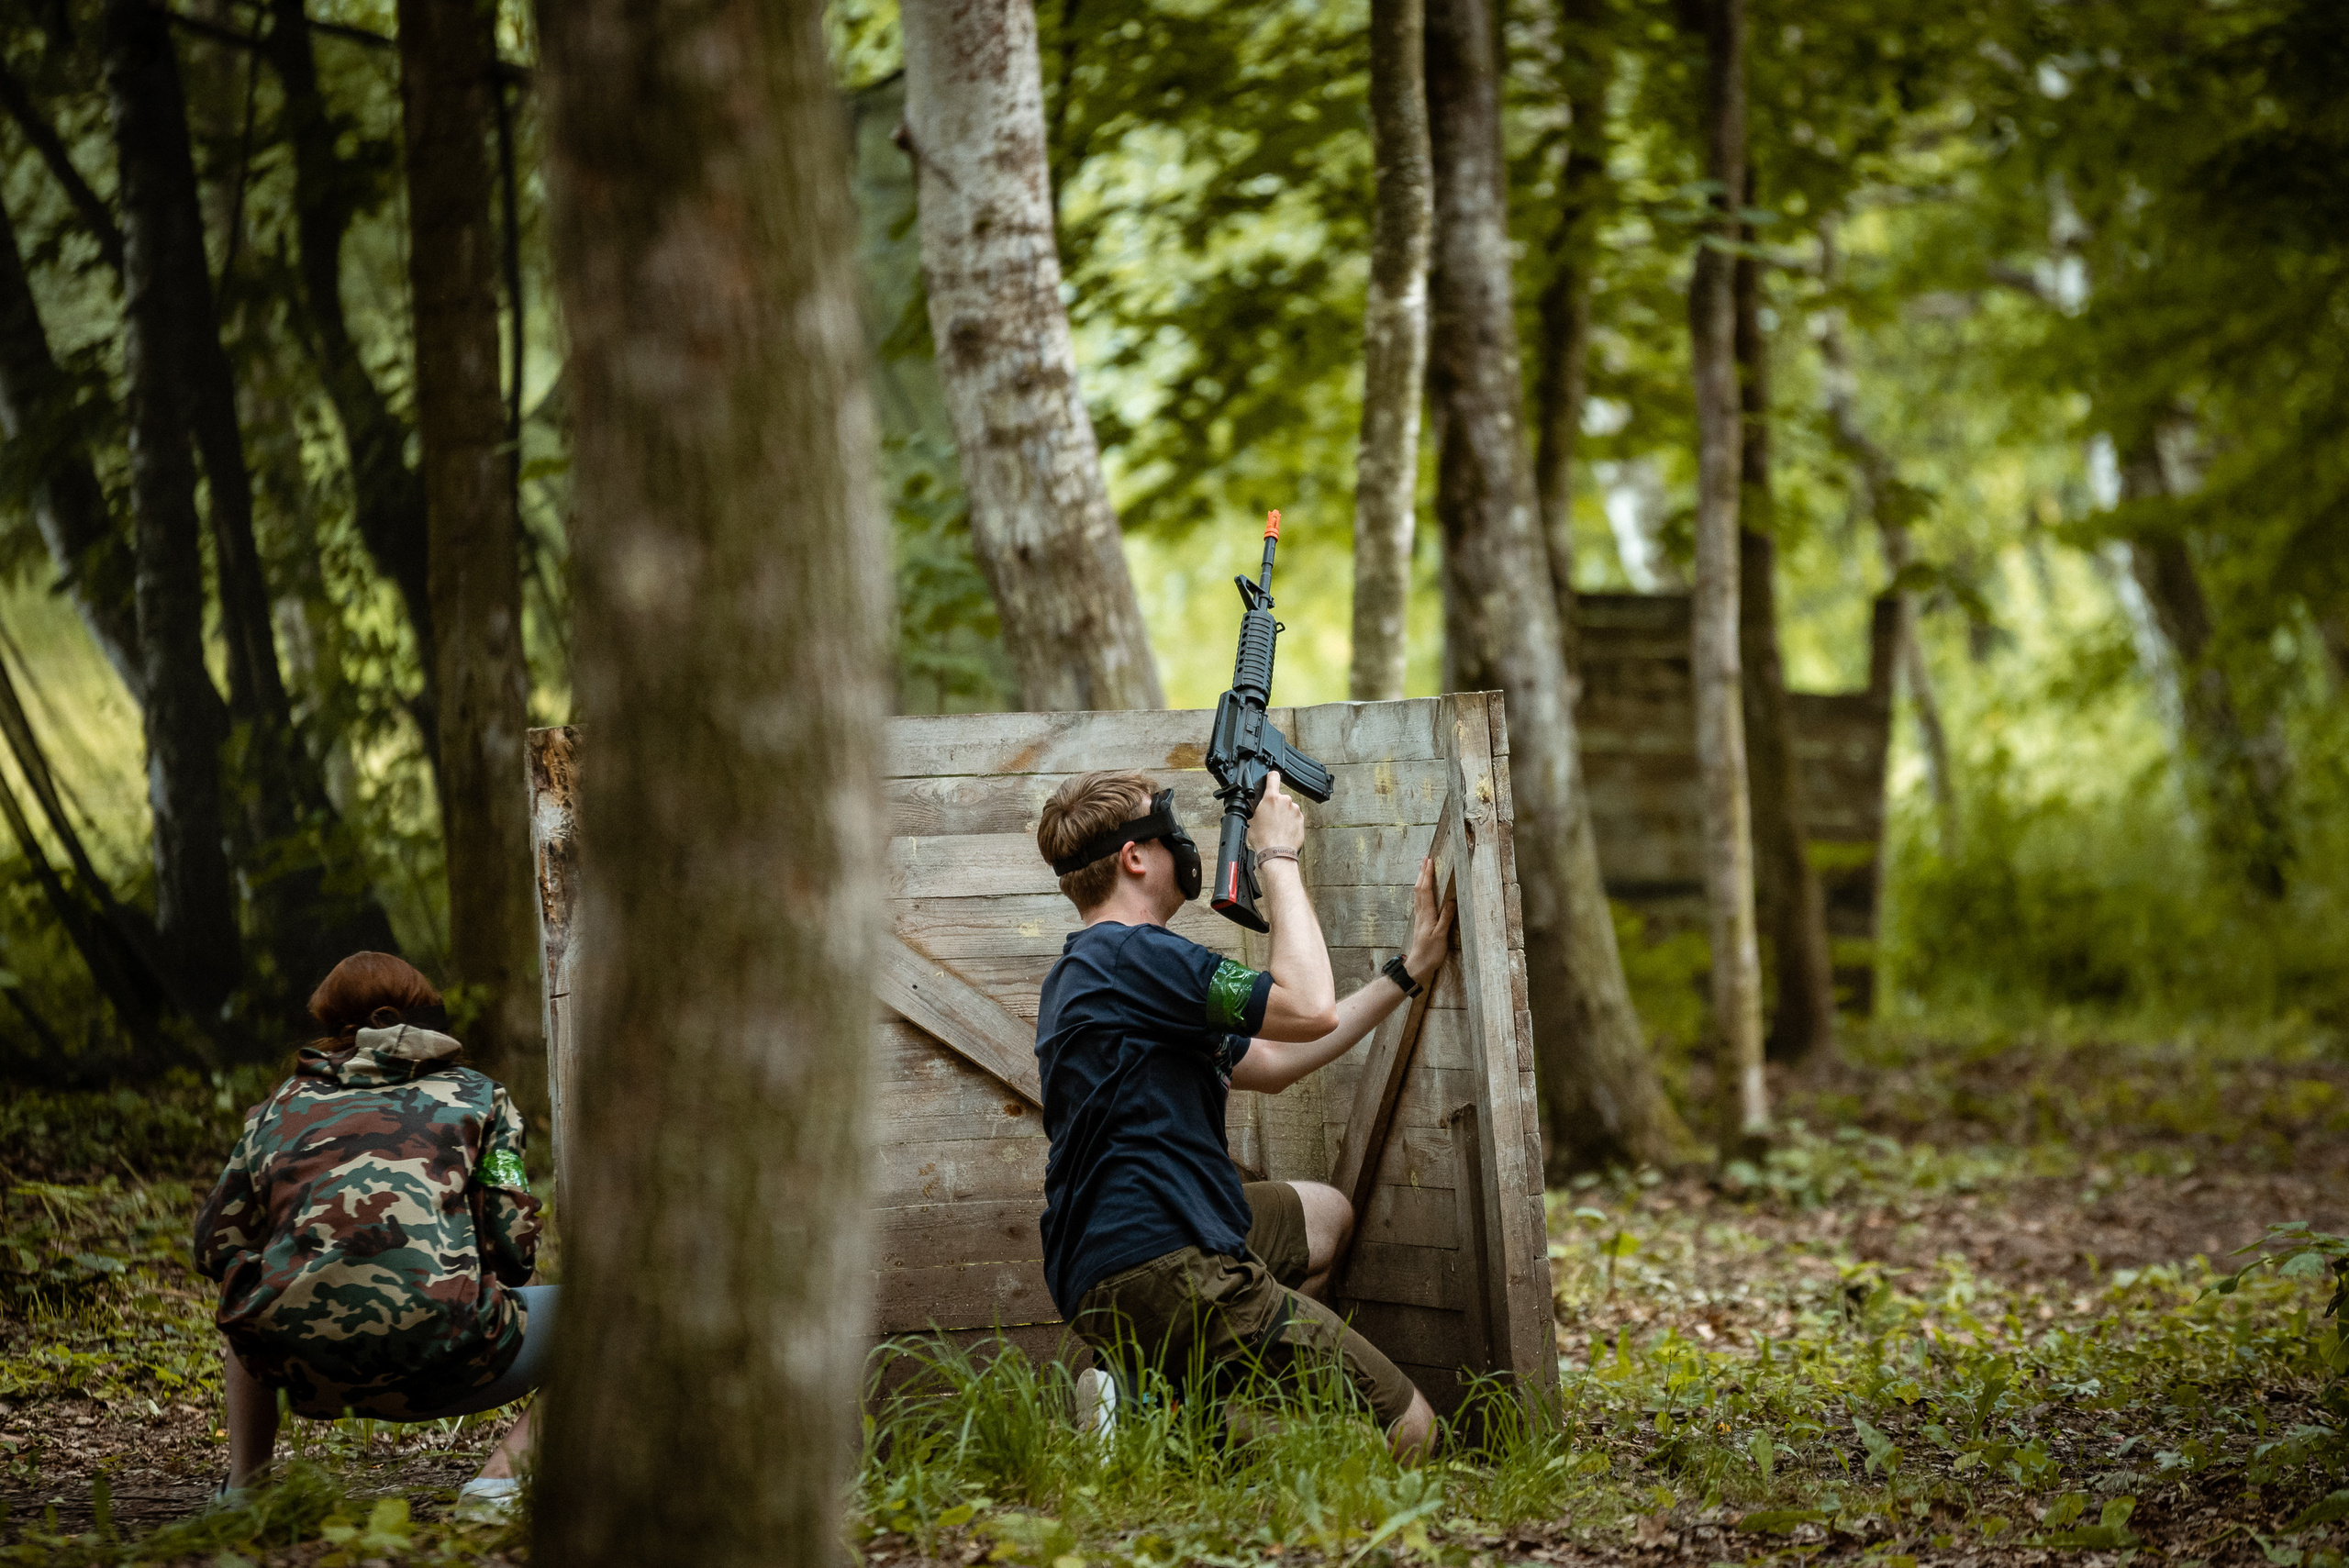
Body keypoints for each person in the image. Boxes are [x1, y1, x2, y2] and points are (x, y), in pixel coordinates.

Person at [1033, 768, 1454, 1455]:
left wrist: (1406, 972)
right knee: (1415, 1434)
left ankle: (1148, 1391)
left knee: (1323, 1214)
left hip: (1104, 1265)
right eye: (1165, 824)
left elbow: (1279, 1061)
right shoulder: (1140, 955)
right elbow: (1311, 1005)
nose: (1183, 839)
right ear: (1136, 857)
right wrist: (1277, 854)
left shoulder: (1101, 969)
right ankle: (1155, 1426)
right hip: (1169, 1262)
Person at [194, 952, 551, 1519]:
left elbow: (214, 1246)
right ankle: (499, 1485)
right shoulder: (481, 1098)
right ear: (428, 1015)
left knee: (252, 1286)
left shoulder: (276, 1109)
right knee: (612, 1317)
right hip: (446, 1364)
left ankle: (244, 1492)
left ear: (330, 1024)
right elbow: (512, 1252)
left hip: (297, 1372)